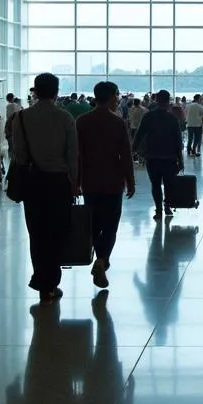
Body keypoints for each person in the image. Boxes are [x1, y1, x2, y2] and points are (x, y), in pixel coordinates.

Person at [11, 73, 79, 303]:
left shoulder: (21, 117)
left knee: (36, 231)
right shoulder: (65, 117)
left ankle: (42, 280)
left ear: (35, 91)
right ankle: (52, 280)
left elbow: (18, 154)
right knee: (57, 231)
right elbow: (72, 155)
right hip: (59, 181)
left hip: (32, 181)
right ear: (57, 91)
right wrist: (74, 183)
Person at [76, 81, 136, 289]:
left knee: (94, 224)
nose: (118, 99)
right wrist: (130, 181)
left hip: (89, 181)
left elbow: (77, 154)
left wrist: (75, 182)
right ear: (111, 97)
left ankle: (100, 259)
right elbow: (125, 156)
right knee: (111, 225)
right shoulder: (117, 122)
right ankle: (101, 260)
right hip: (113, 181)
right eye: (117, 96)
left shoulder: (82, 121)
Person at [132, 90, 184, 222]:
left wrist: (133, 150)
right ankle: (167, 206)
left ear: (156, 100)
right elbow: (178, 140)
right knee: (168, 183)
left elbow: (139, 135)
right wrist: (180, 159)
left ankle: (158, 210)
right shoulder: (172, 118)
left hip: (152, 156)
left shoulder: (148, 116)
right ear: (168, 101)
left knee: (155, 184)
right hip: (169, 157)